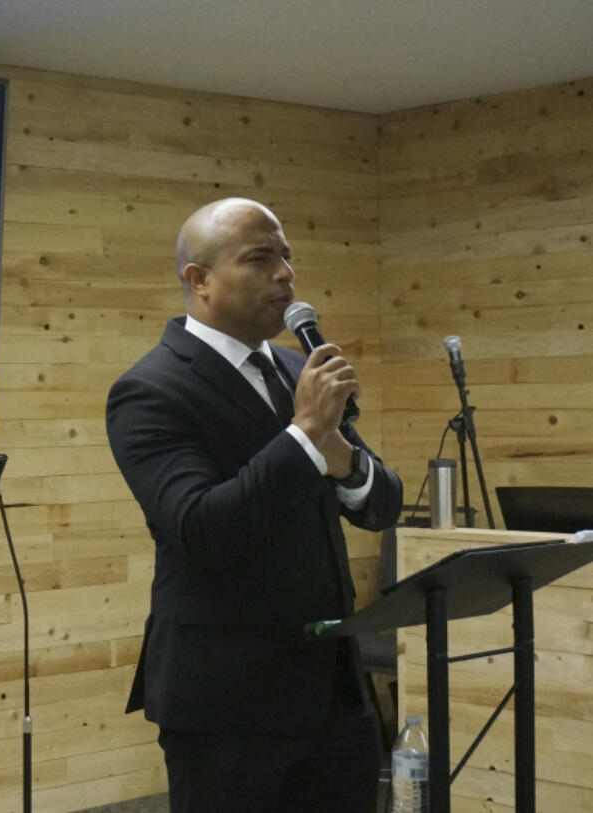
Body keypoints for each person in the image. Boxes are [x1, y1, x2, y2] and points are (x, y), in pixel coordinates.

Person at [105, 198, 403, 812]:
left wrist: (341, 455)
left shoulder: (301, 369)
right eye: (260, 259)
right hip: (226, 704)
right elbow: (202, 527)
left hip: (333, 692)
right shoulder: (151, 390)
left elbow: (382, 506)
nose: (285, 275)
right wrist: (303, 434)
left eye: (287, 257)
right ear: (200, 280)